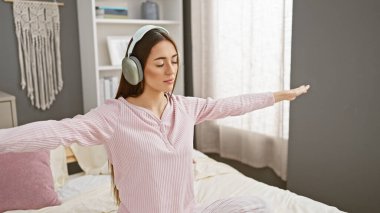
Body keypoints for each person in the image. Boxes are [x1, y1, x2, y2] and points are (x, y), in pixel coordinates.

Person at [0, 25, 310, 213]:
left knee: (257, 206)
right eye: (160, 63)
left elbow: (229, 105)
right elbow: (57, 131)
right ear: (135, 68)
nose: (170, 71)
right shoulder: (113, 117)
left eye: (173, 61)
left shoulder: (185, 107)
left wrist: (275, 96)